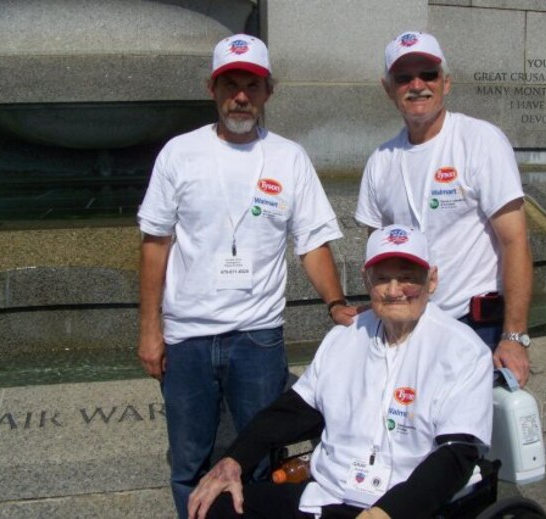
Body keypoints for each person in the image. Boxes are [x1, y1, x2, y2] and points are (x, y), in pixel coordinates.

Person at [137, 33, 357, 517]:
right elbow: (155, 245)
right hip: (187, 337)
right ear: (212, 90)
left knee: (257, 459)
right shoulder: (179, 153)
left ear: (267, 92)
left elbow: (313, 243)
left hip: (257, 339)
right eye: (230, 84)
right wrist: (150, 330)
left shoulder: (289, 157)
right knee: (189, 461)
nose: (241, 95)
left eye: (251, 86)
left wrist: (335, 303)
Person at [187, 225, 494, 519]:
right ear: (366, 281)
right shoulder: (344, 338)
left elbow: (456, 455)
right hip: (330, 495)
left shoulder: (463, 350)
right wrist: (234, 460)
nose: (394, 290)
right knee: (217, 507)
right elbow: (295, 410)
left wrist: (385, 514)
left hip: (408, 504)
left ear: (432, 280)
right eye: (382, 278)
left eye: (407, 278)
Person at [354, 31, 533, 387]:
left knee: (469, 439)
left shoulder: (481, 141)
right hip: (408, 326)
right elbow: (378, 255)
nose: (417, 85)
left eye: (428, 75)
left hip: (475, 327)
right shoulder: (380, 161)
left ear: (446, 83)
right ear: (388, 88)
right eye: (404, 77)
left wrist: (514, 337)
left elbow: (516, 242)